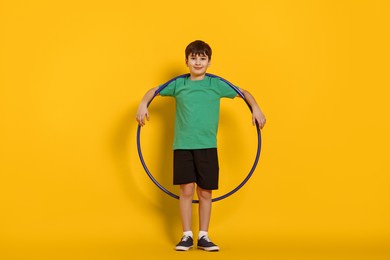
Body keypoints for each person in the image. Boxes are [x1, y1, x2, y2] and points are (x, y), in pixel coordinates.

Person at [136, 40, 266, 251]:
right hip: (183, 146)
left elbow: (244, 93)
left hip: (207, 147)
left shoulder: (216, 85)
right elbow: (153, 91)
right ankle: (187, 235)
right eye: (194, 58)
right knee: (186, 190)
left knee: (205, 192)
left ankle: (204, 235)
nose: (198, 62)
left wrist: (256, 108)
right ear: (186, 61)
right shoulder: (179, 84)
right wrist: (143, 104)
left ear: (209, 62)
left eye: (202, 58)